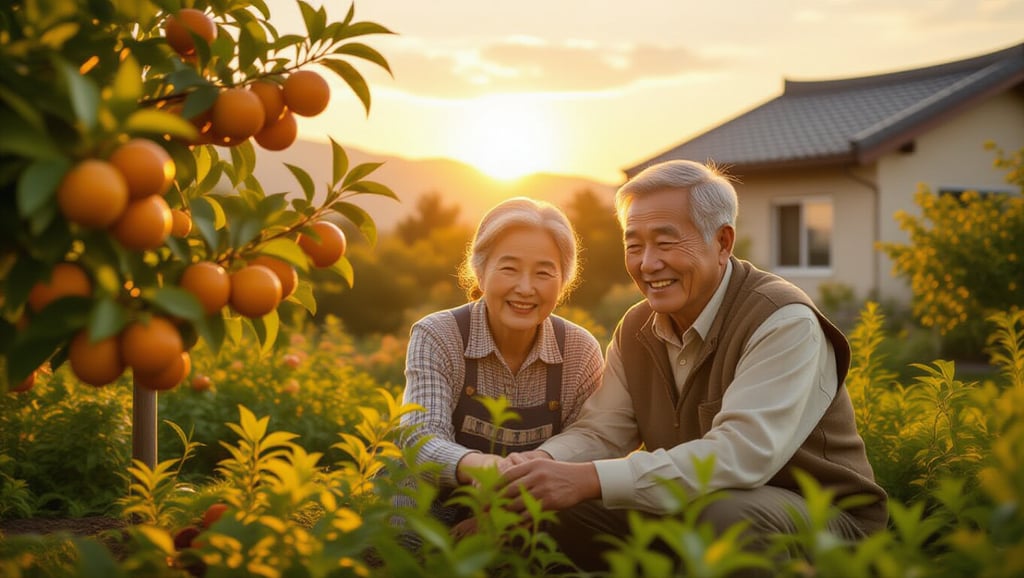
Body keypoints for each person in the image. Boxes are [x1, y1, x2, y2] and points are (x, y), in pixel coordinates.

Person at [499, 160, 888, 572]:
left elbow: (741, 455)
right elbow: (602, 430)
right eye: (634, 245)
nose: (647, 264)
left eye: (665, 243)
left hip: (822, 523)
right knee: (552, 510)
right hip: (694, 506)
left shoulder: (783, 321)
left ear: (722, 242)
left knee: (728, 516)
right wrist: (538, 468)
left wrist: (590, 479)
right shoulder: (636, 327)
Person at [397, 196, 604, 528]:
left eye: (544, 273)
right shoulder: (438, 335)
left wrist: (498, 518)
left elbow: (590, 441)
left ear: (563, 281)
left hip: (531, 513)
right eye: (509, 268)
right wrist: (477, 466)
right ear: (480, 272)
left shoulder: (580, 351)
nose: (525, 288)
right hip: (433, 504)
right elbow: (420, 438)